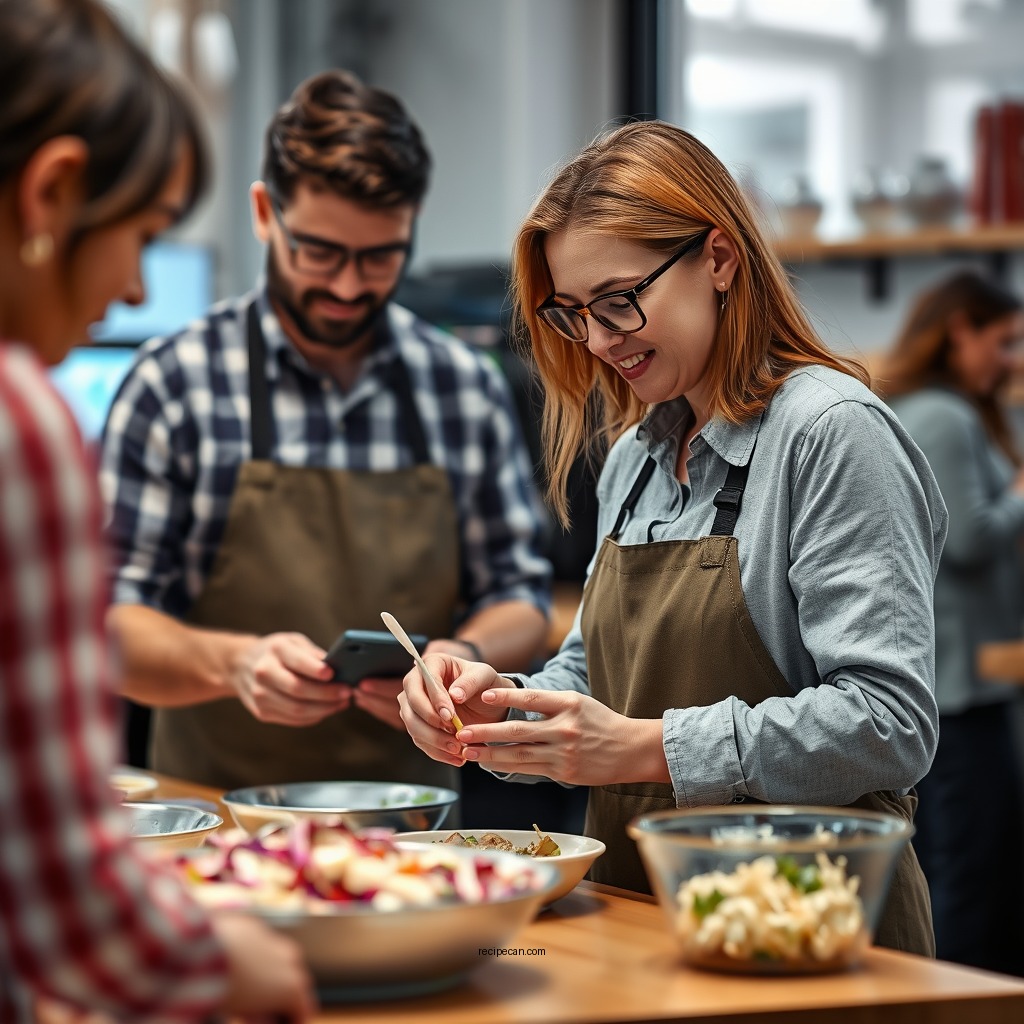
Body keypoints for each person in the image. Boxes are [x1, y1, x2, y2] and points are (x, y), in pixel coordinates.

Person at [398, 119, 947, 956]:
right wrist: (495, 709)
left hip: (809, 935)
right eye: (573, 313)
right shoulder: (636, 457)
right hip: (642, 922)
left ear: (718, 259)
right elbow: (592, 674)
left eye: (620, 300)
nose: (598, 340)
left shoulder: (830, 434)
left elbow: (888, 721)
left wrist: (644, 748)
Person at [99, 68, 551, 795]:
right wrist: (234, 665)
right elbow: (110, 628)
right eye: (319, 252)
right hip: (221, 823)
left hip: (419, 826)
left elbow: (520, 594)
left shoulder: (461, 388)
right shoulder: (174, 384)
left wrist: (463, 651)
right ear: (263, 213)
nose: (347, 287)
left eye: (379, 258)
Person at [0, 0, 314, 1019]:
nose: (136, 288)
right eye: (139, 232)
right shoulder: (20, 421)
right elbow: (71, 908)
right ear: (50, 194)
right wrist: (228, 965)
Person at [880, 269, 1024, 976]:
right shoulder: (943, 415)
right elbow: (967, 539)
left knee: (964, 867)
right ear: (960, 330)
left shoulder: (927, 408)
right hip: (959, 687)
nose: (1012, 359)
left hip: (961, 680)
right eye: (1004, 342)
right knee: (971, 877)